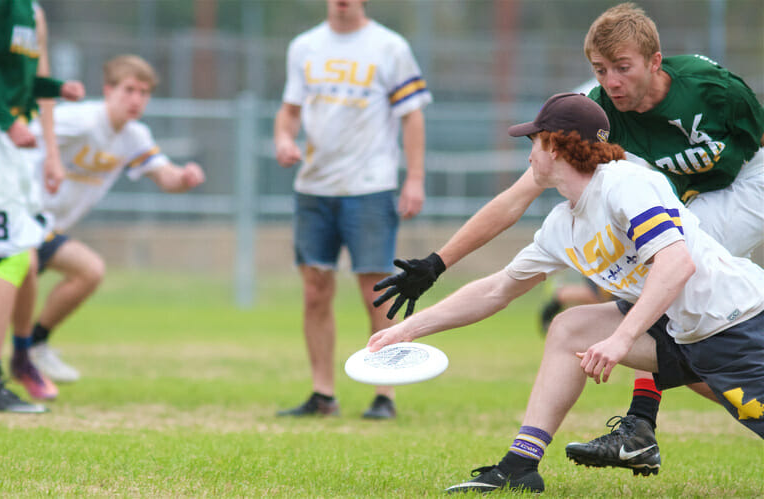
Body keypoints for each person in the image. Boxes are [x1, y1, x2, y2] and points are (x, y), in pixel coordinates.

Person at [374, 1, 763, 469]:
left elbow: (679, 263)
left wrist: (620, 340)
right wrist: (416, 308)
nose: (610, 81)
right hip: (700, 328)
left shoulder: (639, 170)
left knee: (677, 273)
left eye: (621, 68)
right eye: (600, 70)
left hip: (742, 273)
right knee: (573, 326)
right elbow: (500, 280)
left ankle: (641, 420)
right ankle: (523, 464)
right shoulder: (568, 210)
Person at [0, 54, 205, 399]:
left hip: (48, 226)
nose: (136, 99)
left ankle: (30, 349)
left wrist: (184, 178)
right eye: (128, 90)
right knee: (7, 288)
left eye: (143, 92)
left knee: (87, 272)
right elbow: (16, 137)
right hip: (22, 214)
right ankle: (0, 362)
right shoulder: (80, 120)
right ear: (108, 90)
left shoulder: (135, 136)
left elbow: (164, 175)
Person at [273, 0, 431, 419]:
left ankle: (385, 394)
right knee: (315, 290)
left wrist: (414, 178)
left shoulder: (388, 46)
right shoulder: (304, 46)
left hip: (369, 188)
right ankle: (322, 394)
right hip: (314, 187)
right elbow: (289, 112)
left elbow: (412, 116)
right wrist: (284, 139)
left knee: (376, 294)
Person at [0, 0, 83, 412]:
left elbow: (1, 78)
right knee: (14, 253)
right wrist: (7, 121)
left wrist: (54, 89)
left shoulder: (29, 10)